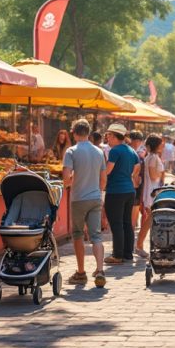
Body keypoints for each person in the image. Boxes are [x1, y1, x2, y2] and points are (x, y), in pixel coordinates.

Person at [62, 119, 107, 288]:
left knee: (78, 234)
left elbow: (66, 179)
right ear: (88, 133)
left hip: (79, 198)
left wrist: (73, 179)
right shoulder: (99, 152)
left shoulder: (71, 151)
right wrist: (98, 192)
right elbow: (103, 179)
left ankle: (81, 273)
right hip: (95, 197)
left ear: (74, 133)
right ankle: (100, 270)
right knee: (96, 236)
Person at [104, 124, 140, 264]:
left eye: (108, 135)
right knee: (127, 223)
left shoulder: (115, 151)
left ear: (114, 136)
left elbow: (107, 171)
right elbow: (137, 168)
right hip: (129, 190)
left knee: (116, 223)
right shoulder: (131, 150)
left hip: (116, 191)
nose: (107, 138)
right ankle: (127, 254)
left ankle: (117, 255)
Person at [135, 134, 165, 257]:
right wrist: (161, 173)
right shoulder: (153, 158)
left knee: (151, 220)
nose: (163, 145)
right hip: (152, 192)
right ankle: (139, 245)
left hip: (151, 191)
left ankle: (141, 245)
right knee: (150, 220)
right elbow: (153, 175)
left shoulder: (152, 157)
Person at [128, 130, 146, 230]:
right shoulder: (136, 155)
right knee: (133, 210)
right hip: (134, 186)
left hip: (129, 186)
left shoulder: (127, 152)